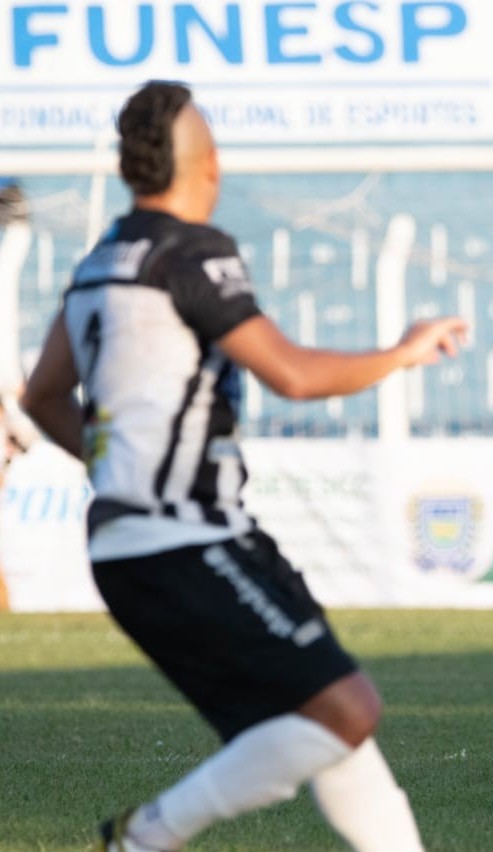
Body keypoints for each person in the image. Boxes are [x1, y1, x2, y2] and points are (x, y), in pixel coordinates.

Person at [21, 80, 468, 851]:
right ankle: (142, 837)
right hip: (183, 538)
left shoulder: (99, 260)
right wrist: (402, 351)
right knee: (349, 709)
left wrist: (118, 470)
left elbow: (43, 396)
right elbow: (291, 374)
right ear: (210, 165)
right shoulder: (191, 251)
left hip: (146, 539)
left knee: (330, 727)